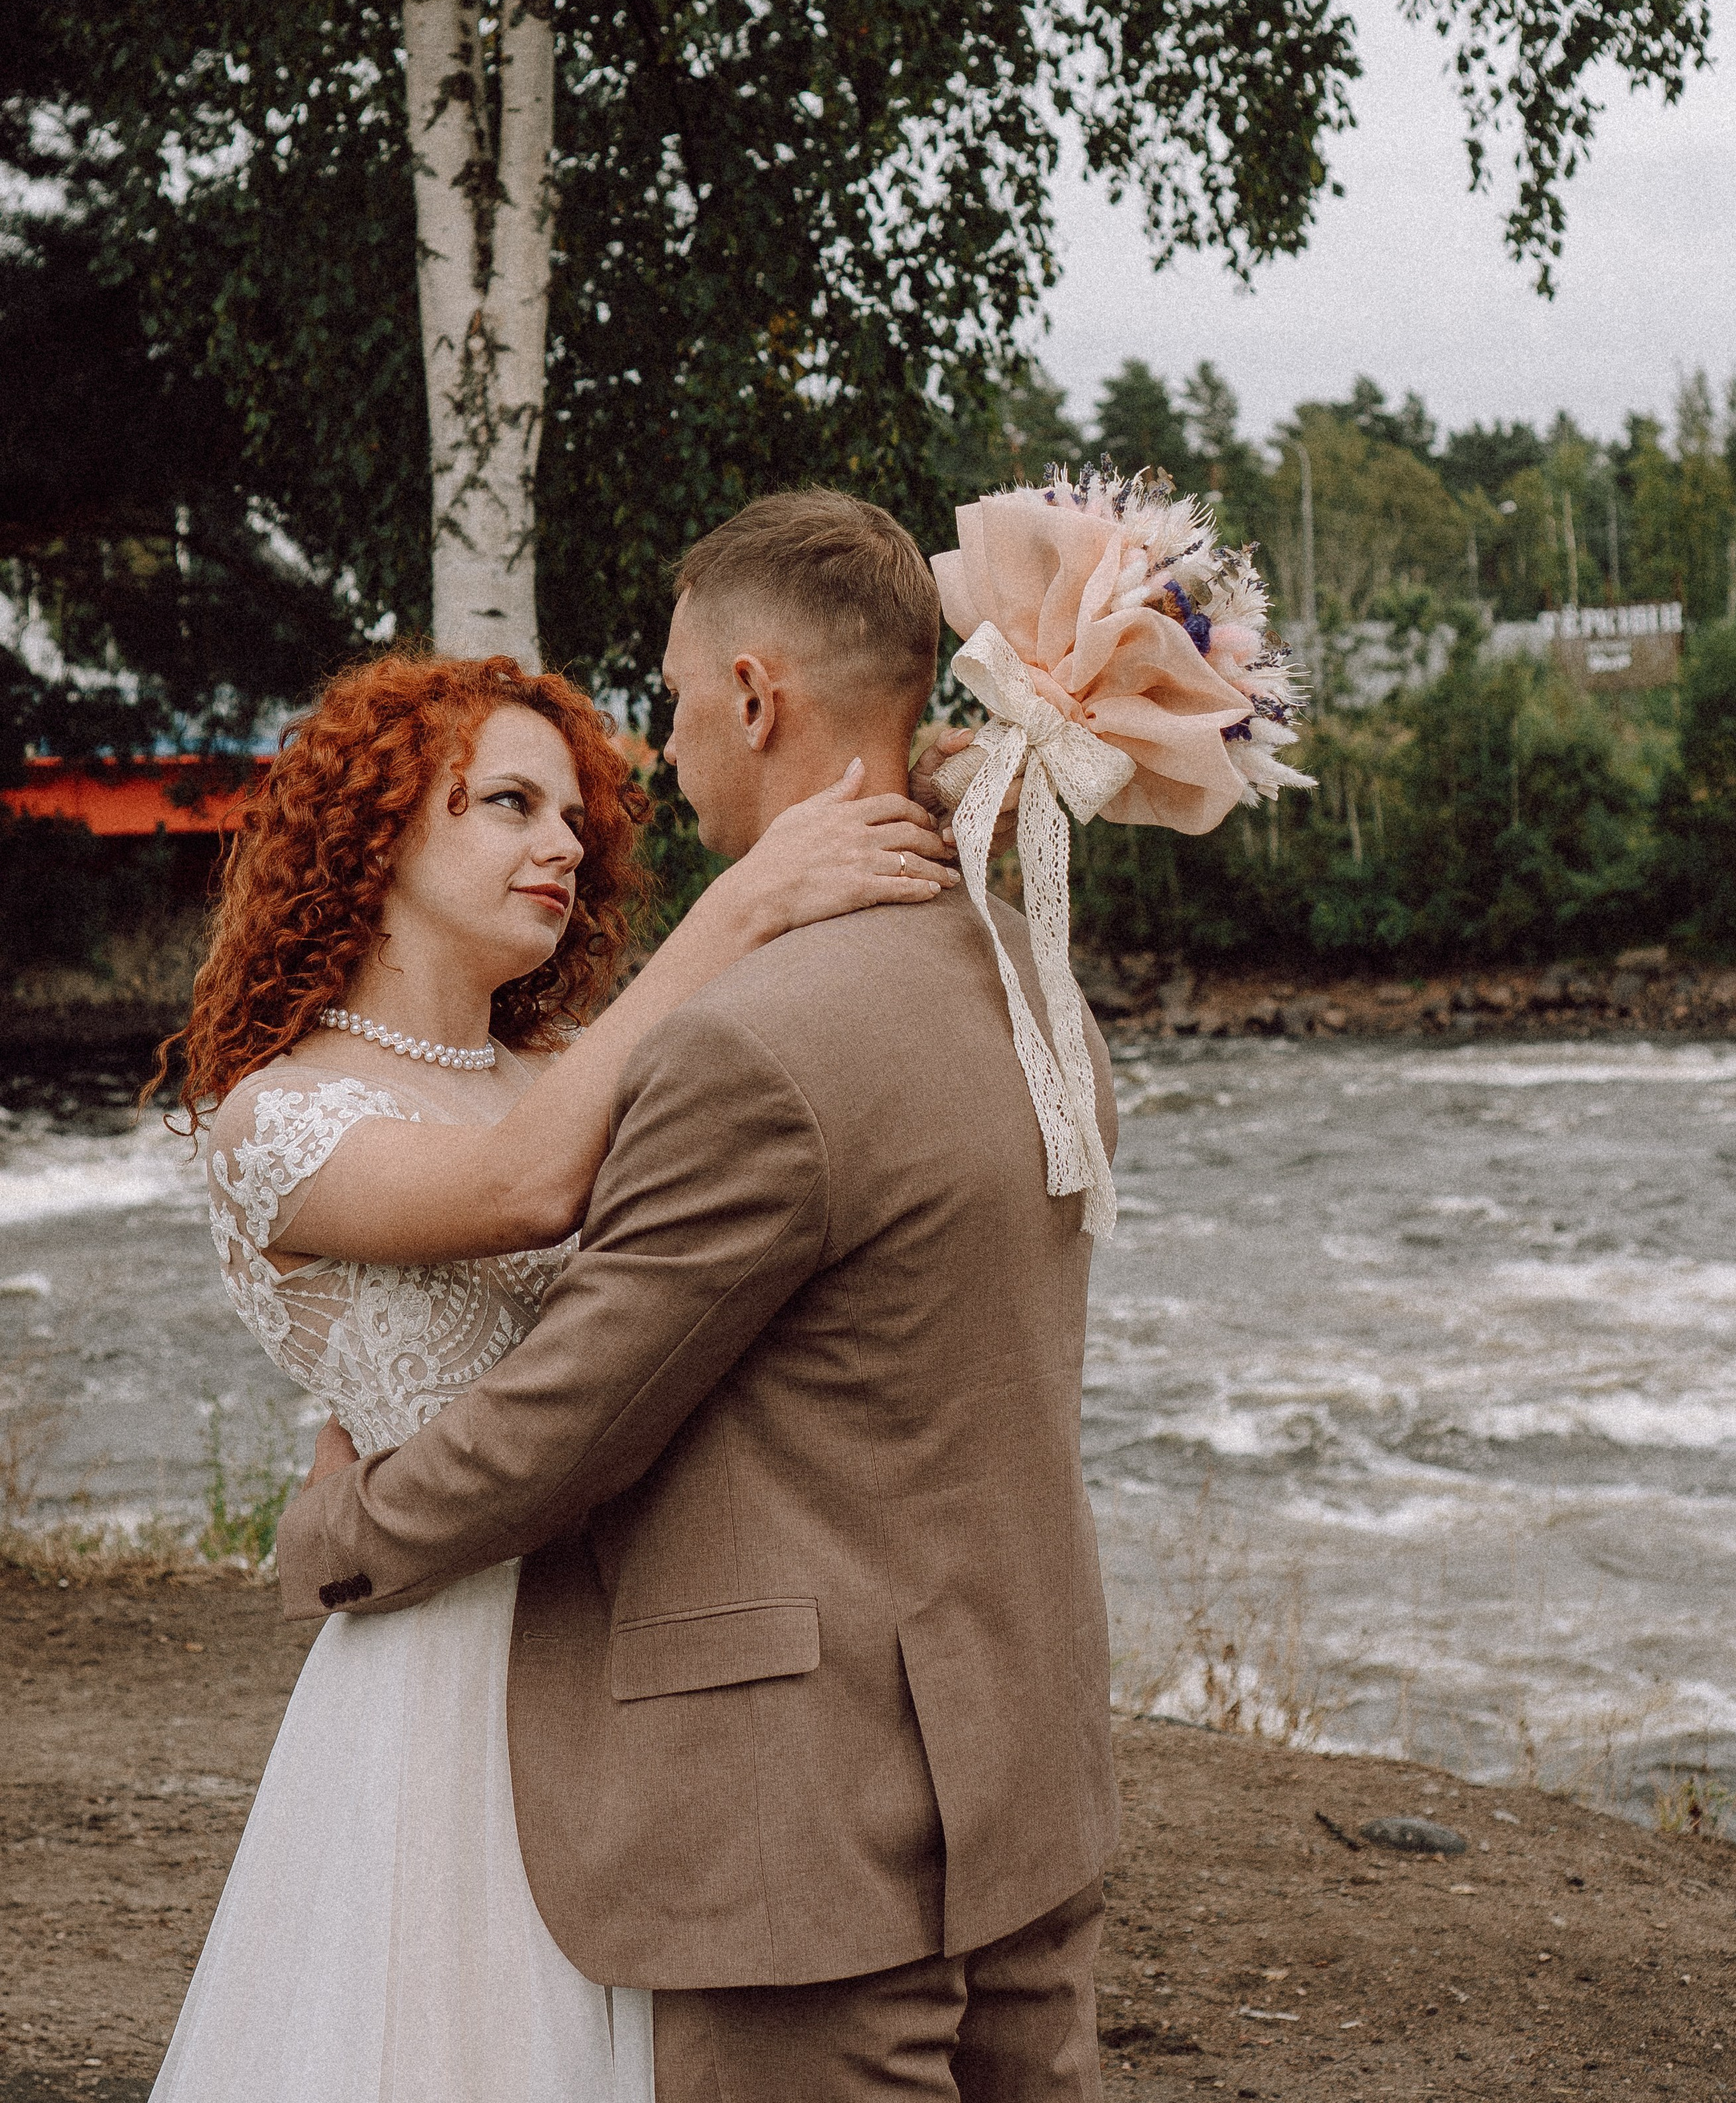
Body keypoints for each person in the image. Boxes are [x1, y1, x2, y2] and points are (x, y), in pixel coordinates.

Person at [275, 489, 1120, 2102]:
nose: (657, 753)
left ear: (752, 695)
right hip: (1020, 1764)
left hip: (811, 1828)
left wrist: (340, 1531)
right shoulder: (1030, 975)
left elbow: (565, 1423)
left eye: (667, 702)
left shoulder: (751, 1043)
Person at [148, 634, 958, 2103]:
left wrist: (932, 794)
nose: (566, 846)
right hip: (445, 1663)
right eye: (511, 805)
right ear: (381, 828)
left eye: (576, 817)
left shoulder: (565, 1068)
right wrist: (741, 903)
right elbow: (523, 1189)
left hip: (639, 1642)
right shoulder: (277, 1114)